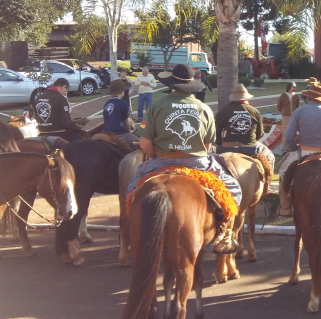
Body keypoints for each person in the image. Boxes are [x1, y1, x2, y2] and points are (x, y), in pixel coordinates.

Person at [129, 64, 241, 254]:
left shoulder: (155, 107)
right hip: (197, 163)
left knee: (132, 190)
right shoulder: (204, 108)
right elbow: (207, 147)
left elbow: (145, 144)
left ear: (171, 83)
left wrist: (159, 156)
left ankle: (132, 231)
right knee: (233, 189)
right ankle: (225, 234)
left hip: (162, 162)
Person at [277, 82, 321, 216]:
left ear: (309, 97)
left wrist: (294, 149)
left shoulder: (298, 111)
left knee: (283, 173)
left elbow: (289, 136)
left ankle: (285, 207)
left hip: (304, 151)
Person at [215, 83, 275, 169]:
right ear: (246, 97)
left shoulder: (223, 111)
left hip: (227, 148)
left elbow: (217, 133)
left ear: (234, 96)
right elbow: (260, 134)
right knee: (270, 157)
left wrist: (219, 143)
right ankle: (267, 181)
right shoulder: (254, 111)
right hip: (250, 148)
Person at [35, 78, 85, 142]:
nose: (65, 93)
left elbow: (36, 117)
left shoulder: (39, 97)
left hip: (42, 132)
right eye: (66, 91)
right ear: (63, 87)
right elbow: (66, 123)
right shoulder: (61, 99)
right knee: (81, 140)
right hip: (58, 133)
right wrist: (76, 126)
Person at [102, 79, 139, 149]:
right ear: (122, 92)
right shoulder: (123, 103)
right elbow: (127, 121)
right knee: (140, 143)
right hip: (119, 133)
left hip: (106, 132)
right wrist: (129, 131)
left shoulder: (107, 103)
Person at [277, 82, 300, 152]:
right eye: (293, 87)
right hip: (286, 116)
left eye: (295, 87)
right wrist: (283, 111)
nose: (295, 88)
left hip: (294, 116)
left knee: (295, 132)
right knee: (285, 132)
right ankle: (285, 148)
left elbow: (297, 105)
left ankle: (293, 148)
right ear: (290, 87)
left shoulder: (295, 96)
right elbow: (279, 106)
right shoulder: (283, 96)